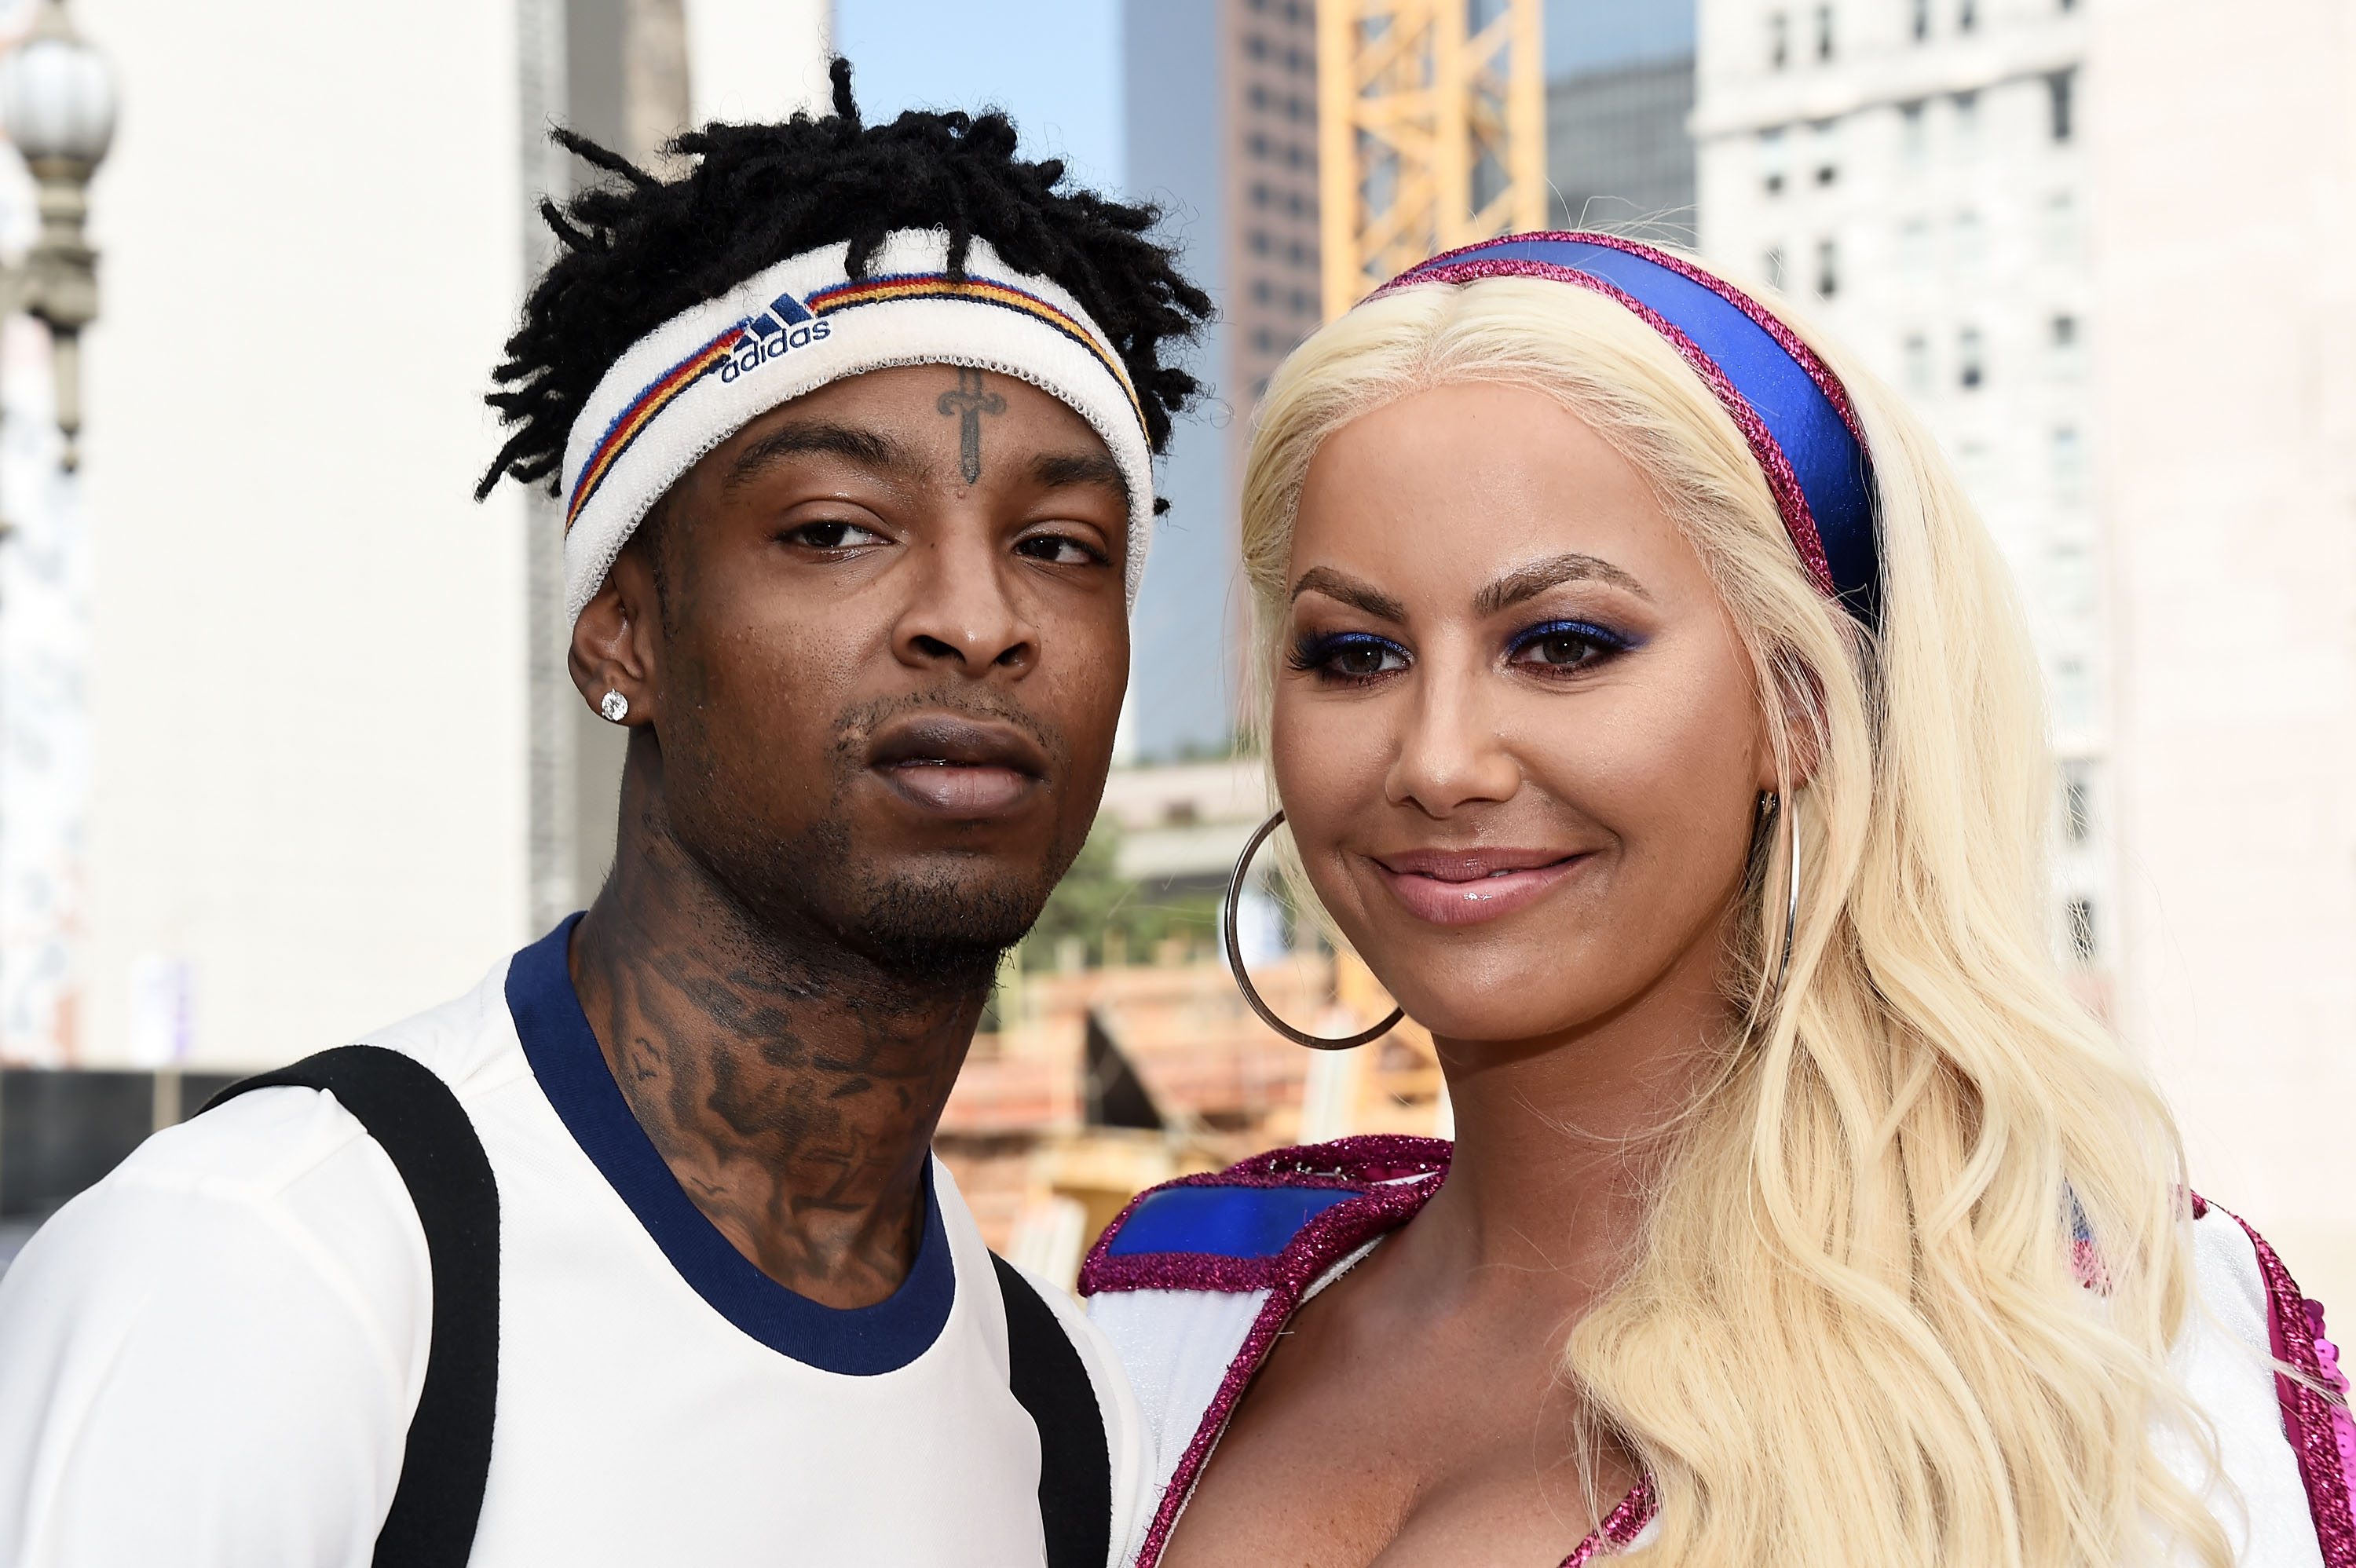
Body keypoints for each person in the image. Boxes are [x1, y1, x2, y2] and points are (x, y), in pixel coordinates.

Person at [0, 64, 1209, 1566]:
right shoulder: (278, 1274)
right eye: (836, 529)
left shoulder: (1069, 1428)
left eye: (1062, 545)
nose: (978, 619)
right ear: (621, 630)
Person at [1082, 232, 2356, 1567]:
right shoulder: (1165, 1315)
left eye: (1563, 643)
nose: (1440, 760)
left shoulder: (2107, 1356)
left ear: (1797, 704)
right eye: (1356, 653)